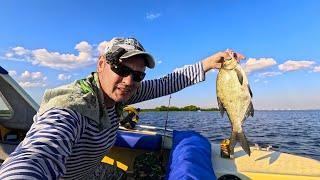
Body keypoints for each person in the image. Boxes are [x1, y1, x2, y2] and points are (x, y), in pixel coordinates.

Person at [0, 37, 244, 179]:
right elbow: (37, 155)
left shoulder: (120, 94)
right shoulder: (73, 104)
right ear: (101, 64)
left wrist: (208, 63)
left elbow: (165, 83)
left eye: (138, 75)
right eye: (122, 69)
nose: (129, 80)